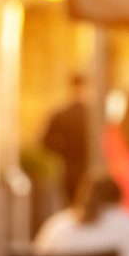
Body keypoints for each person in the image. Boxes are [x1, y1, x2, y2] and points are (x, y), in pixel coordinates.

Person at [41, 72, 91, 207]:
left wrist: (62, 150)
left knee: (72, 205)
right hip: (81, 166)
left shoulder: (62, 114)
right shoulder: (91, 115)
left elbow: (46, 142)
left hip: (72, 167)